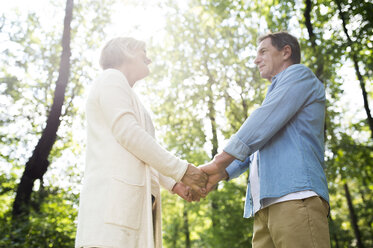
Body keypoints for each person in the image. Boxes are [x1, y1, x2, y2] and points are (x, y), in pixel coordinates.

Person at [201, 32, 330, 248]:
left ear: (286, 52)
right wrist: (218, 174)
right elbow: (254, 148)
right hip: (263, 208)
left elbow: (261, 123)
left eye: (263, 51)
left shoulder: (299, 75)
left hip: (295, 198)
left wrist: (218, 161)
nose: (256, 59)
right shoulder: (275, 95)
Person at [75, 37, 207, 248]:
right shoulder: (111, 78)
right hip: (111, 217)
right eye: (143, 51)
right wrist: (182, 170)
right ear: (126, 50)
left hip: (132, 213)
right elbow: (128, 133)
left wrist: (174, 184)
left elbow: (141, 151)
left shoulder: (132, 98)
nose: (149, 58)